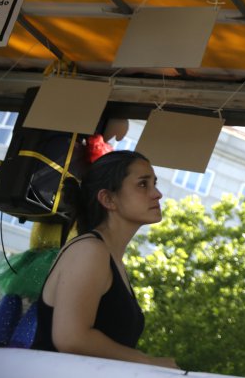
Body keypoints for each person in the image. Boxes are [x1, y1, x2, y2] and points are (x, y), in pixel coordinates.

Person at [31, 149, 177, 369]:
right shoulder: (90, 250)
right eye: (142, 184)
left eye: (154, 183)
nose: (157, 194)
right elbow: (71, 338)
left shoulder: (107, 256)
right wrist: (149, 363)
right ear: (108, 199)